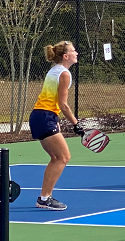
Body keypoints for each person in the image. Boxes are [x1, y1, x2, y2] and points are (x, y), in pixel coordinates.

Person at [29, 40, 81, 211]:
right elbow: (63, 104)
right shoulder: (64, 73)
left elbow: (53, 103)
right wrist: (76, 125)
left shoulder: (54, 70)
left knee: (57, 158)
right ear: (66, 56)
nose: (76, 53)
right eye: (74, 51)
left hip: (41, 116)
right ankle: (45, 198)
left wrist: (56, 120)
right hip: (45, 117)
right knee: (64, 157)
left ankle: (44, 197)